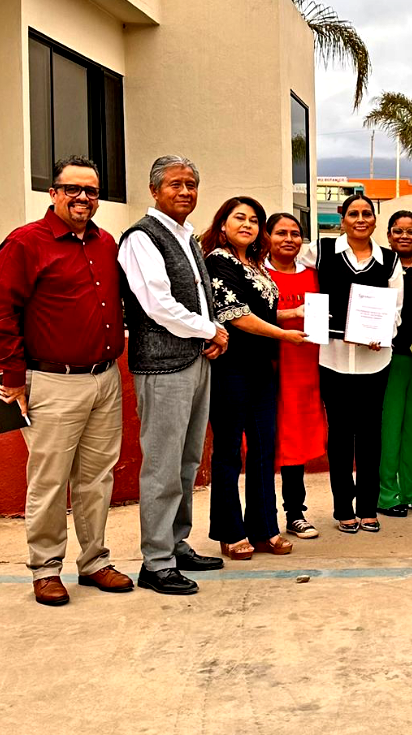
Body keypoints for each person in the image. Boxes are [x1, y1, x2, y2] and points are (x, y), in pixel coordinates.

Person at [0, 155, 132, 606]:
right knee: (48, 481)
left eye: (91, 191)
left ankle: (94, 561)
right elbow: (0, 315)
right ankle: (45, 568)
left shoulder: (106, 243)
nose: (83, 198)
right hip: (52, 382)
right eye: (73, 189)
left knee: (97, 477)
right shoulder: (26, 243)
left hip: (105, 379)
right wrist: (14, 380)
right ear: (53, 193)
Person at [118, 155, 228, 595]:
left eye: (191, 185)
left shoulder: (187, 237)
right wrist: (211, 329)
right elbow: (157, 305)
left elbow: (198, 297)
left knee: (186, 462)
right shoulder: (142, 238)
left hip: (195, 360)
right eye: (176, 184)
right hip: (163, 365)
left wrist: (211, 333)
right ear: (154, 190)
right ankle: (155, 561)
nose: (185, 192)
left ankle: (176, 543)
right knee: (162, 465)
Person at [203, 198, 305, 559]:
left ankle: (264, 528)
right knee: (229, 451)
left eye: (254, 219)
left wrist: (294, 313)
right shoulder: (219, 260)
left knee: (264, 449)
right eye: (239, 217)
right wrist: (285, 335)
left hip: (263, 368)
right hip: (232, 367)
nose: (247, 224)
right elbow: (236, 315)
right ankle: (230, 531)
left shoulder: (255, 264)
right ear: (223, 223)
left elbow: (265, 309)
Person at [300, 193, 402, 534]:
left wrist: (381, 333)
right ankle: (344, 507)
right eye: (353, 213)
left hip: (375, 360)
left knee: (371, 434)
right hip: (332, 358)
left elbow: (397, 310)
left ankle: (368, 508)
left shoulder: (389, 260)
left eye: (367, 214)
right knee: (340, 435)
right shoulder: (322, 251)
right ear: (342, 219)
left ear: (375, 220)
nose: (360, 219)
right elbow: (289, 266)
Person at [264, 212, 326, 539]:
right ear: (267, 237)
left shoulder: (315, 275)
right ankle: (262, 516)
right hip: (267, 368)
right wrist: (291, 313)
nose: (288, 239)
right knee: (263, 443)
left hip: (304, 368)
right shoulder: (257, 273)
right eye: (281, 233)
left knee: (296, 441)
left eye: (295, 233)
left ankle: (295, 512)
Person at [378, 210, 412, 518]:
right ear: (389, 235)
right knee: (389, 427)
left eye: (411, 232)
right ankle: (387, 494)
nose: (405, 236)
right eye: (398, 231)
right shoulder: (380, 264)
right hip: (390, 356)